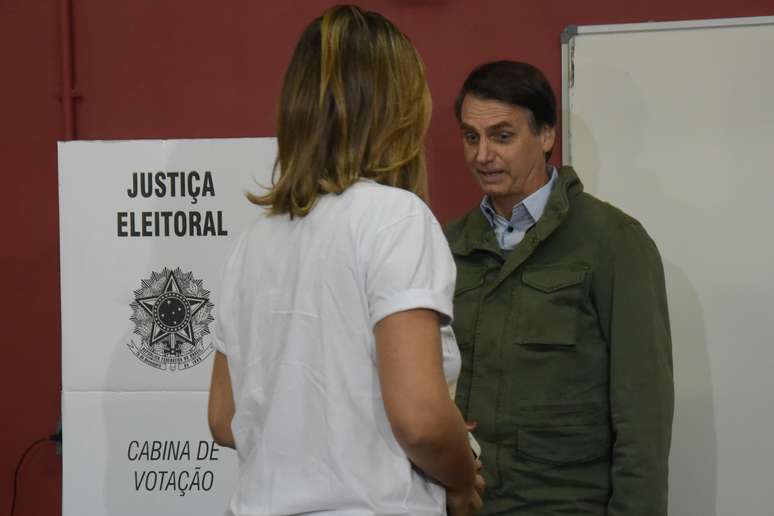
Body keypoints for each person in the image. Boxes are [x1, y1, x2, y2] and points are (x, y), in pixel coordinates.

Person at [207, 6, 483, 516]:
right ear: (399, 109)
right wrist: (463, 479)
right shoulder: (395, 218)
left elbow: (224, 418)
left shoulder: (252, 243)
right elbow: (421, 417)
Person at [445, 60, 674, 515]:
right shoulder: (446, 246)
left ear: (546, 136)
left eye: (502, 136)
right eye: (471, 137)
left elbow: (643, 416)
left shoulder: (611, 241)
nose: (482, 155)